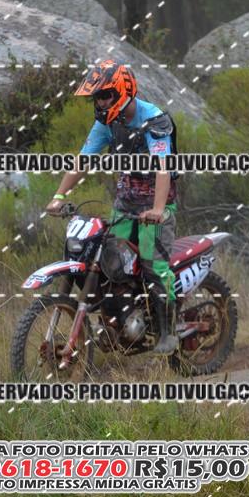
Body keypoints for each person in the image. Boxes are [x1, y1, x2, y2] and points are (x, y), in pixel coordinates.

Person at [46, 60, 179, 355]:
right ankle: (118, 323)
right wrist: (58, 195)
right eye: (97, 97)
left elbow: (163, 168)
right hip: (125, 206)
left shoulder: (154, 121)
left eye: (105, 95)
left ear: (122, 91)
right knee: (109, 264)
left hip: (157, 208)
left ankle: (167, 332)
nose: (100, 102)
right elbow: (83, 159)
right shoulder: (107, 123)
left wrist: (158, 209)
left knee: (153, 267)